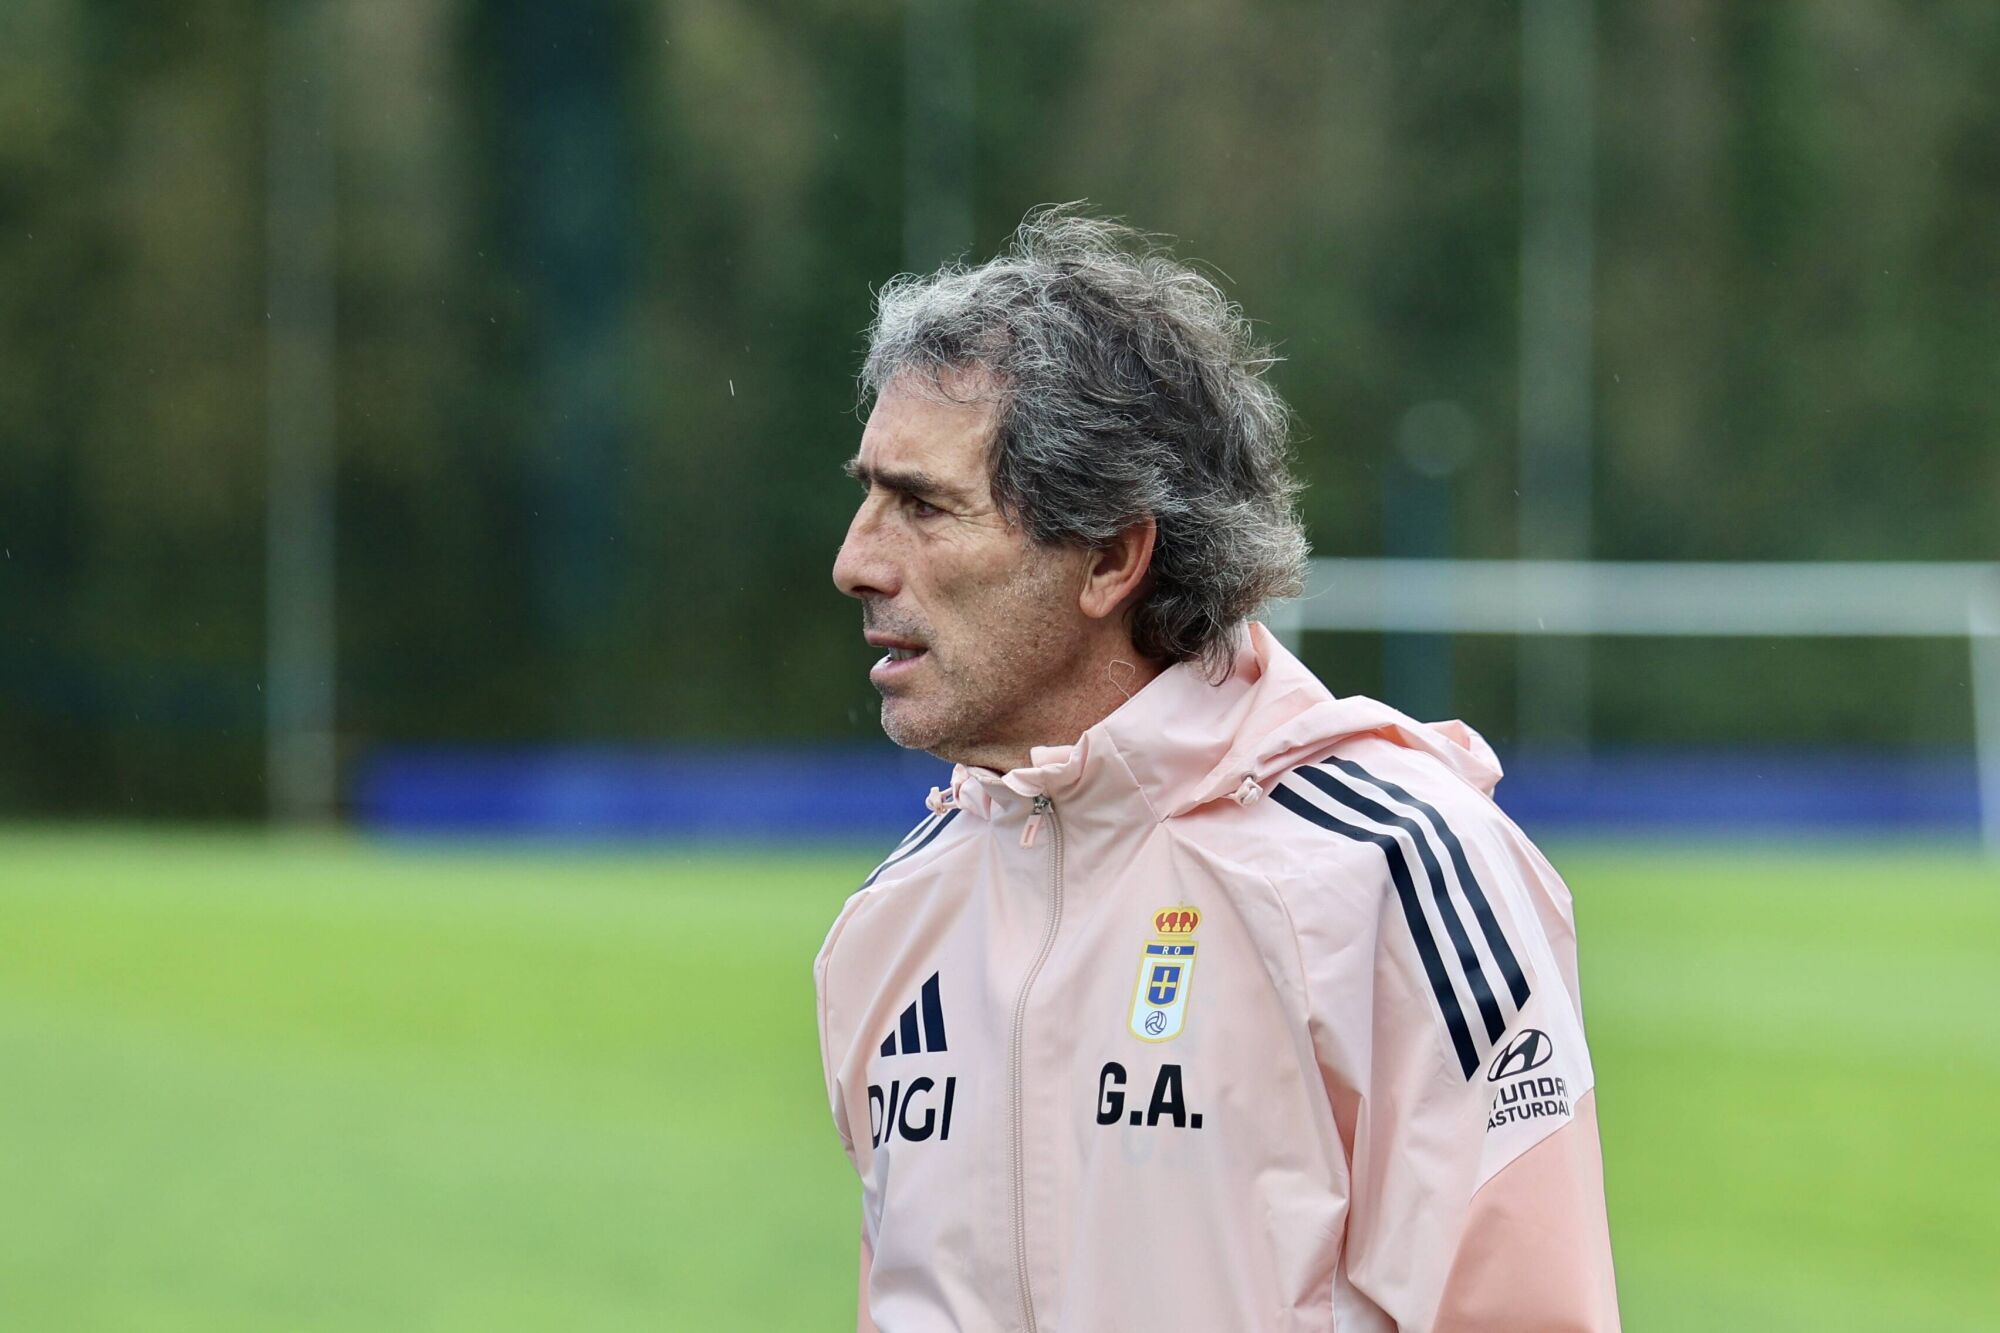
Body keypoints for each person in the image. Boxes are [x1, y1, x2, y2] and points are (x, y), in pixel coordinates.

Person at [817, 207, 1619, 1332]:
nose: (855, 561)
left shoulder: (1389, 869)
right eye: (867, 496)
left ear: (1109, 557)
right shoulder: (892, 920)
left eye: (921, 505)